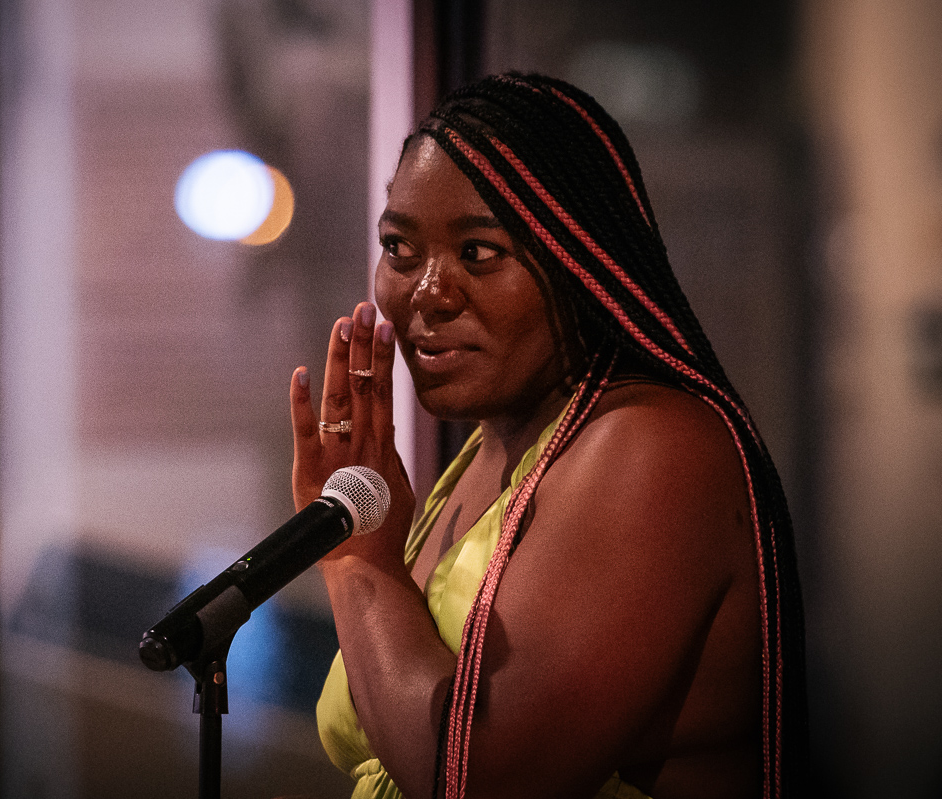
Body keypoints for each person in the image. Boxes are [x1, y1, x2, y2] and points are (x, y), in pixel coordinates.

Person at [288, 74, 806, 799]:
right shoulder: (485, 453)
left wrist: (361, 564)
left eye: (479, 252)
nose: (429, 290)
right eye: (400, 247)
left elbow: (479, 779)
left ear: (582, 260)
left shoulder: (649, 448)